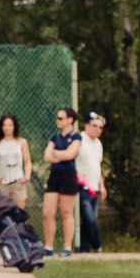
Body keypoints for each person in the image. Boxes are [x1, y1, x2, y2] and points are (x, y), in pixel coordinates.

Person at [43, 107, 84, 258]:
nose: (57, 121)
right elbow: (47, 156)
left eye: (61, 118)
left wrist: (58, 154)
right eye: (57, 118)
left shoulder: (76, 137)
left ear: (70, 120)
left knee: (66, 212)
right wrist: (61, 155)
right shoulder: (54, 137)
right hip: (55, 175)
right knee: (48, 213)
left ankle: (67, 247)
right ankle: (48, 247)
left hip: (68, 175)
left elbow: (71, 154)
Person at [77, 112, 107, 253]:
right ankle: (97, 244)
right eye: (94, 126)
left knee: (90, 220)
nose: (97, 129)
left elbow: (97, 166)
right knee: (89, 218)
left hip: (95, 187)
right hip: (83, 187)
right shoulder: (80, 140)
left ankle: (85, 249)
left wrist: (102, 185)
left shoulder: (98, 144)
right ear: (87, 125)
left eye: (100, 127)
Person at [0, 113, 32, 216]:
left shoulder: (22, 142)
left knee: (18, 214)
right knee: (3, 214)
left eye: (10, 125)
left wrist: (27, 176)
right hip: (2, 182)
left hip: (18, 181)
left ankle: (19, 232)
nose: (7, 128)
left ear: (14, 126)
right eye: (4, 125)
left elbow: (27, 161)